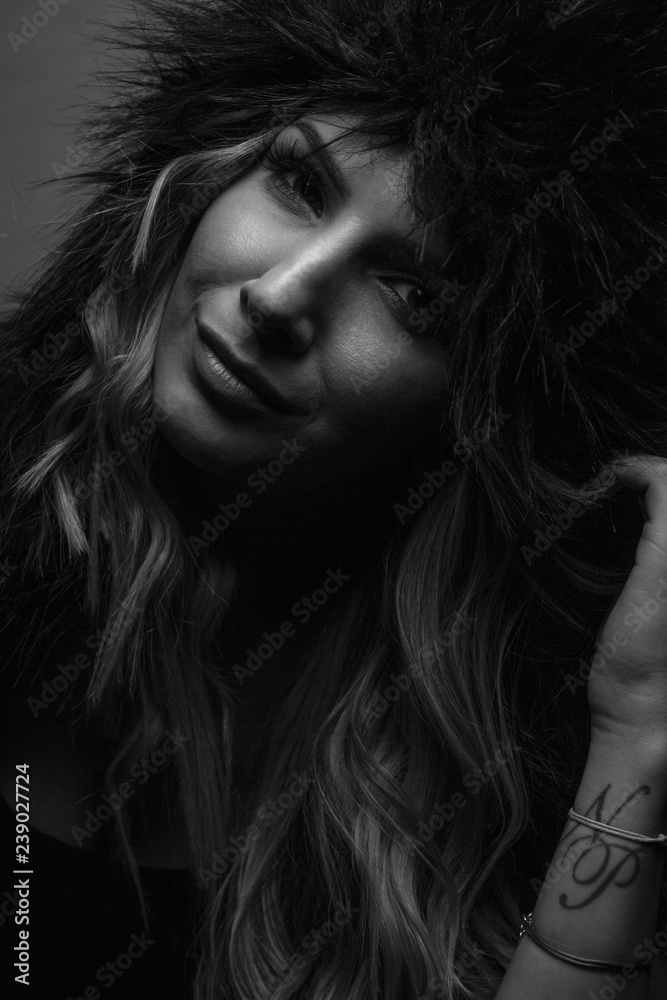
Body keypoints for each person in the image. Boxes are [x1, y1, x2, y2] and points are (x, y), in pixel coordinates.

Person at [1, 0, 667, 997]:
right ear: (200, 175)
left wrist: (638, 728)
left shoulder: (484, 772)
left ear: (479, 413)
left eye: (414, 294)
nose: (278, 296)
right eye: (298, 181)